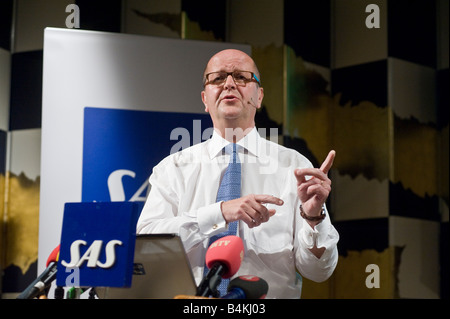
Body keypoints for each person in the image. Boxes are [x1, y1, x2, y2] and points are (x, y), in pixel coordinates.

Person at [137, 49, 339, 298]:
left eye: (242, 77)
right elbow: (145, 246)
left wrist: (313, 218)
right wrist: (219, 212)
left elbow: (319, 272)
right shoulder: (173, 169)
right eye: (218, 77)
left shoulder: (294, 166)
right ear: (205, 98)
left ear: (259, 96)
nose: (229, 83)